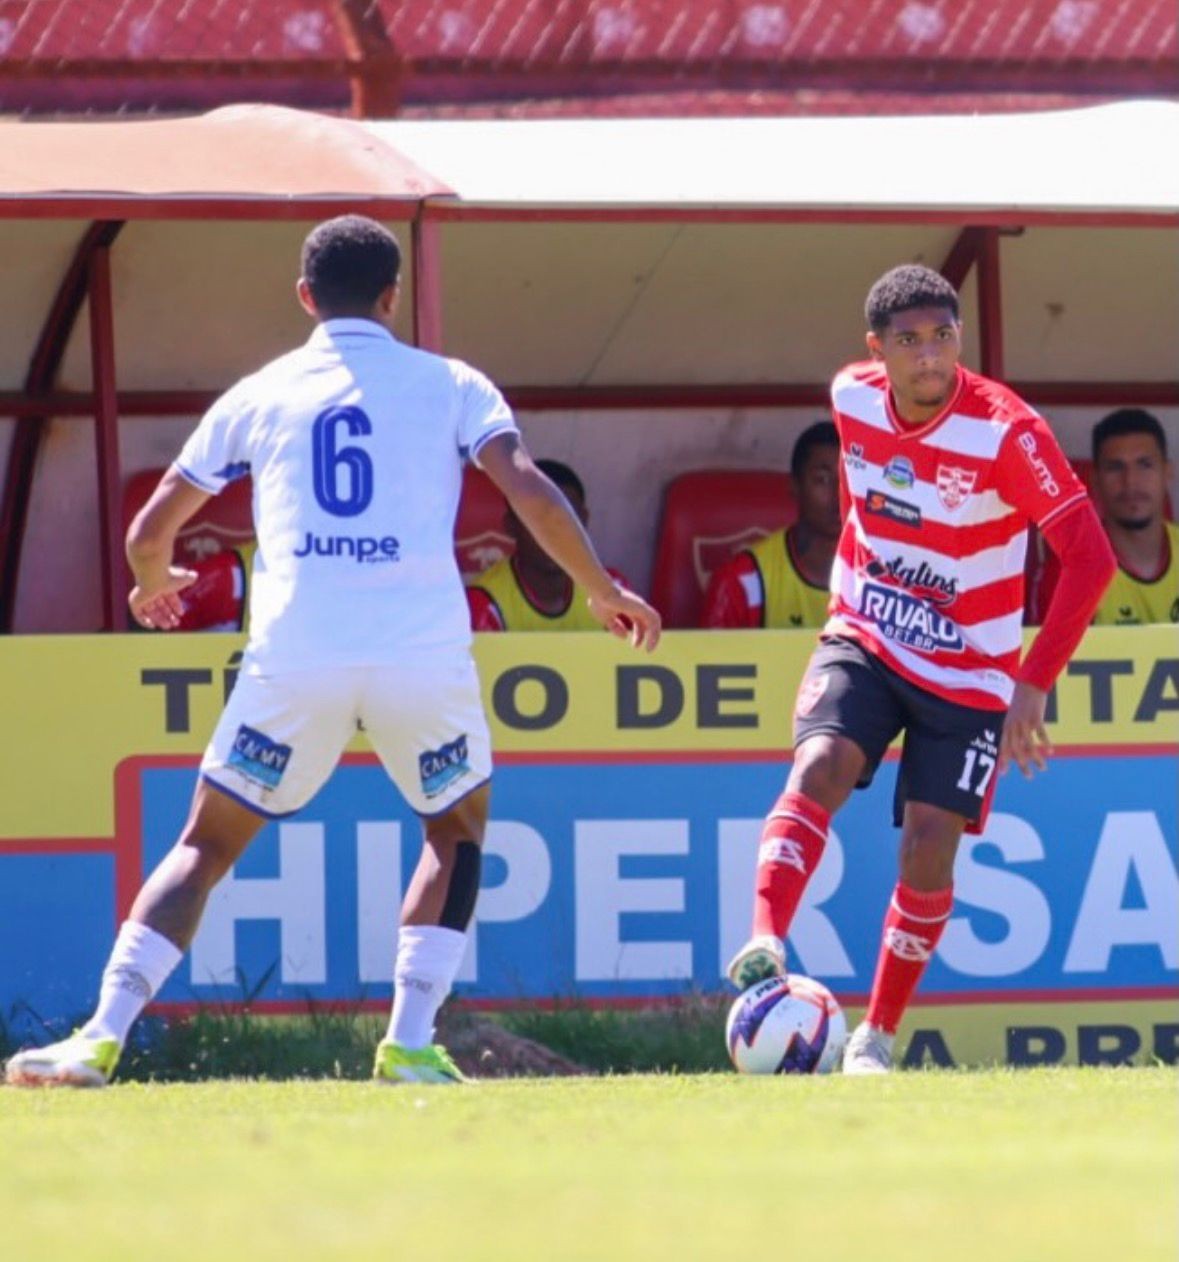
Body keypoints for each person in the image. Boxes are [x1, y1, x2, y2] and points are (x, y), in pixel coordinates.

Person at [5, 215, 660, 1090]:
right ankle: (410, 1043)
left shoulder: (260, 392)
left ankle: (100, 1035)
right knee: (455, 828)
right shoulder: (453, 384)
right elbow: (528, 490)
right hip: (418, 653)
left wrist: (151, 582)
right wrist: (599, 588)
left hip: (295, 653)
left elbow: (152, 524)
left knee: (204, 845)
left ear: (305, 298)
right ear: (394, 297)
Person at [725, 264, 1115, 1074]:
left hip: (971, 673)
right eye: (909, 342)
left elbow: (1089, 557)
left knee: (929, 847)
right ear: (877, 351)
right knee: (821, 764)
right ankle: (765, 938)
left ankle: (877, 1036)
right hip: (867, 632)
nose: (930, 357)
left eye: (943, 337)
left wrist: (1031, 683)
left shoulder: (1007, 432)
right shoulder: (850, 398)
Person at [701, 422, 840, 628]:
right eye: (822, 480)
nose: (839, 494)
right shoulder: (743, 579)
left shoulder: (883, 575)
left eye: (848, 480)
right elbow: (711, 657)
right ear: (795, 485)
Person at [467, 458, 629, 631]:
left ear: (584, 520)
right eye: (538, 521)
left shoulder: (613, 590)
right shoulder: (485, 602)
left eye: (567, 521)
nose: (553, 534)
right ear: (511, 525)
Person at [1089, 409, 1178, 624]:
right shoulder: (1073, 568)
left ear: (1167, 472)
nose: (1130, 482)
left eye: (1145, 465)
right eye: (1115, 468)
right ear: (1095, 480)